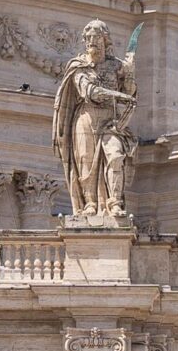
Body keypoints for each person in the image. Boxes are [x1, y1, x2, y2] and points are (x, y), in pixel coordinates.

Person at [52, 21, 138, 223]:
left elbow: (130, 92)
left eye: (97, 37)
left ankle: (115, 202)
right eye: (88, 38)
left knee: (116, 156)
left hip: (111, 122)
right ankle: (89, 203)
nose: (92, 42)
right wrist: (119, 95)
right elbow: (90, 92)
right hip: (86, 117)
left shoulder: (117, 65)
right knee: (85, 160)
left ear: (105, 40)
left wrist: (130, 74)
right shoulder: (78, 66)